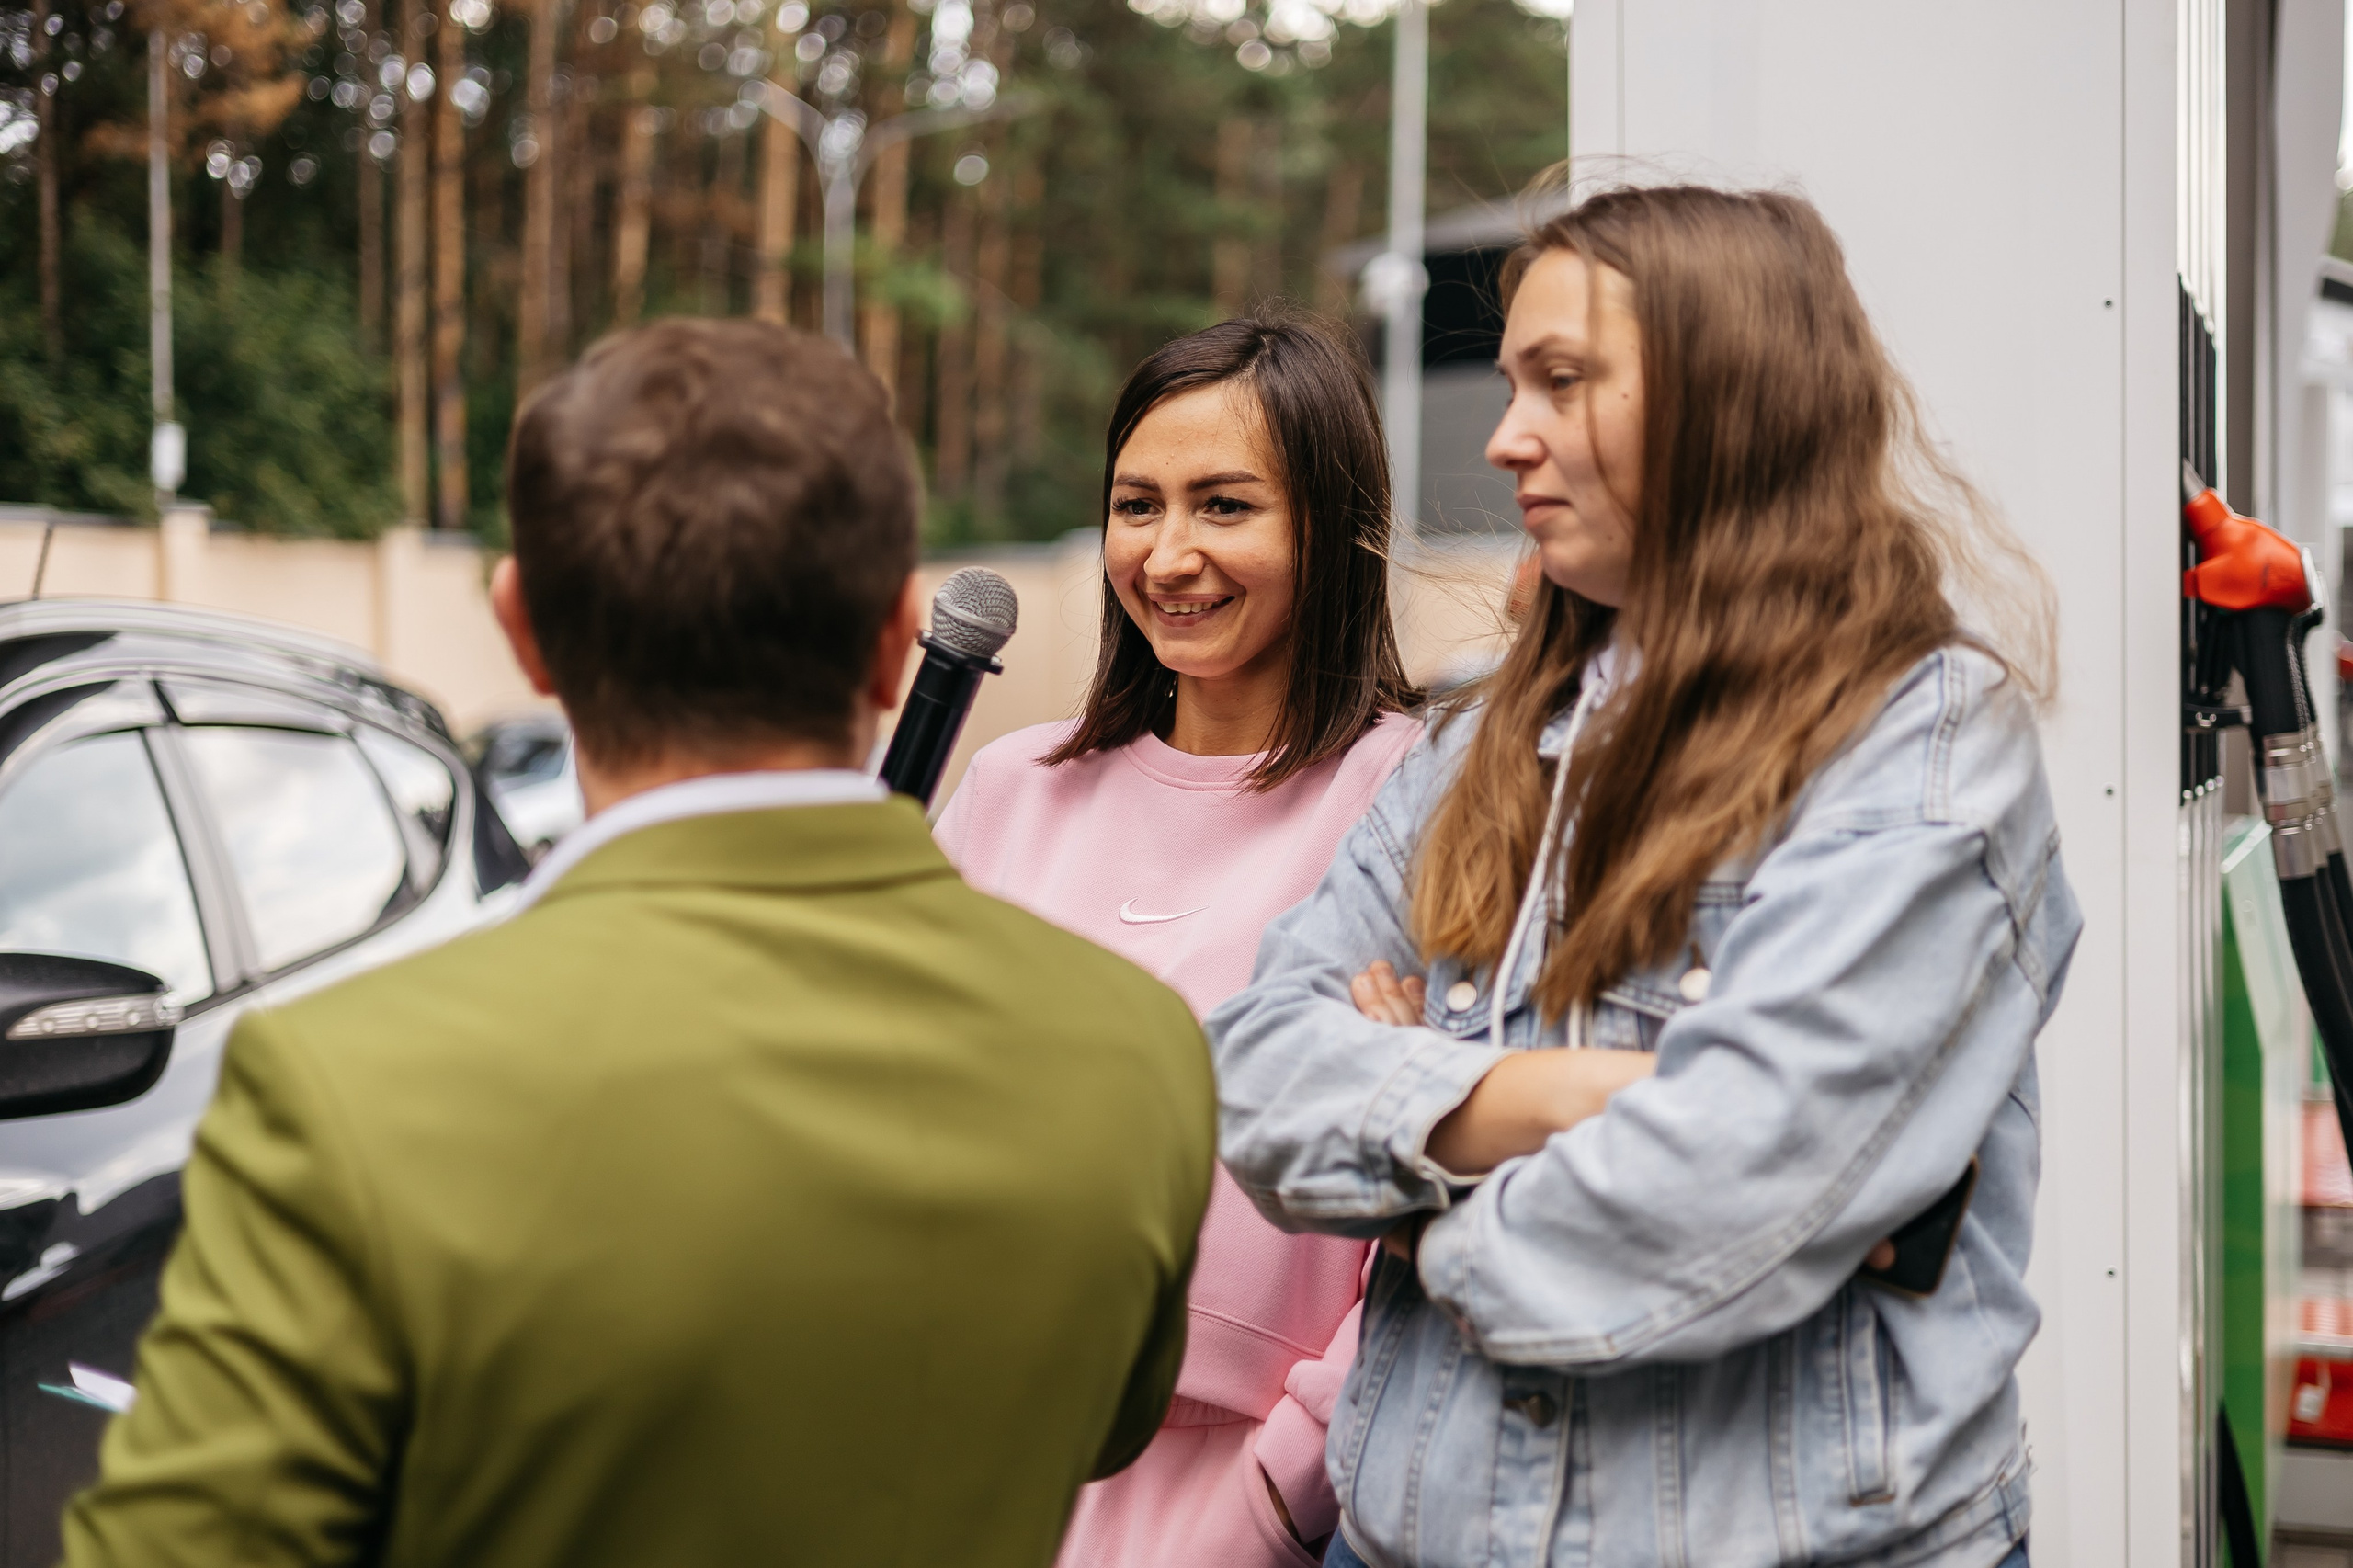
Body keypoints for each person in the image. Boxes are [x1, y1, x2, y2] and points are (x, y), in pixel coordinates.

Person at [60, 319, 1216, 1568]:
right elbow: (1106, 1426)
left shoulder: (343, 1083)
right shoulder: (1137, 1049)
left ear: (525, 631)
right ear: (897, 639)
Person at [1211, 185, 2081, 1568]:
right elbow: (1254, 1068)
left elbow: (1723, 1187)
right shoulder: (1484, 724)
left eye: (1563, 382)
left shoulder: (1919, 748)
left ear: (1730, 401)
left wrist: (1416, 1183)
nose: (1505, 439)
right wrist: (1569, 1097)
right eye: (1512, 384)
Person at [933, 310, 1420, 1568]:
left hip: (1266, 1495)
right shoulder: (1008, 786)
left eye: (1224, 504)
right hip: (978, 1461)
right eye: (1137, 503)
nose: (1169, 552)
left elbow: (1433, 1198)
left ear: (1329, 522)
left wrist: (1278, 1496)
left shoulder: (1411, 797)